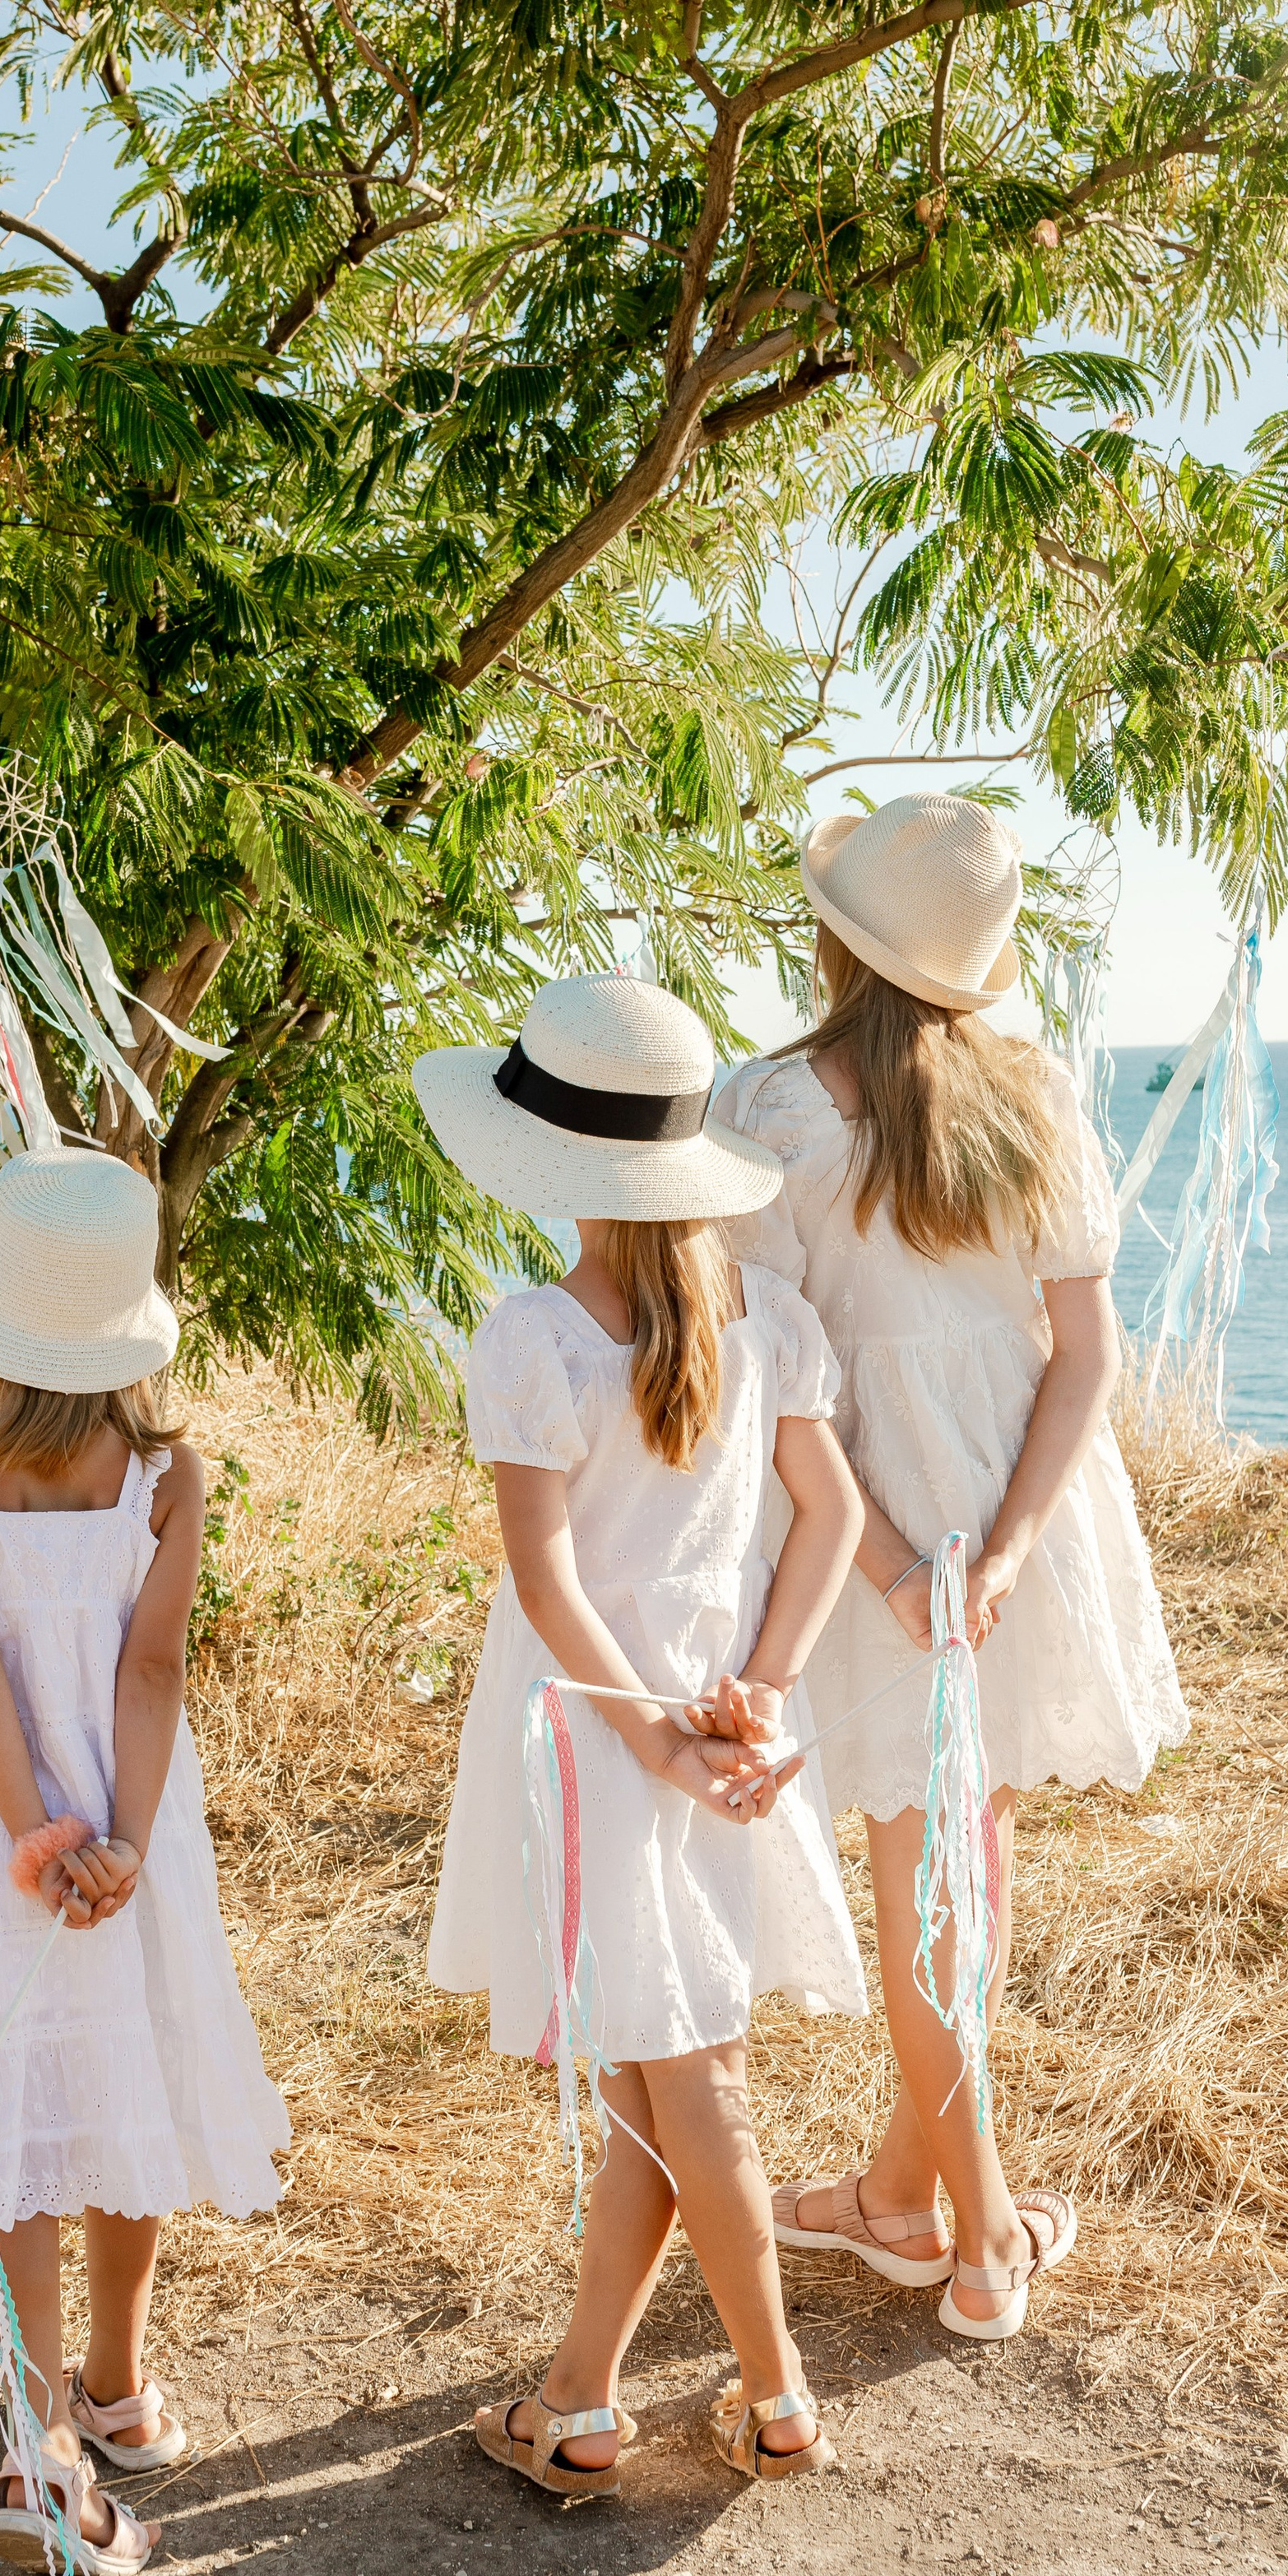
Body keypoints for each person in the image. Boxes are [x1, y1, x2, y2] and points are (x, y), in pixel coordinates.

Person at [714, 795, 1188, 2341]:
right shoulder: (1032, 1090)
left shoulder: (766, 1110)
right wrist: (1014, 1542)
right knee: (953, 1858)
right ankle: (918, 2199)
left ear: (834, 939)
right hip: (999, 1491)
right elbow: (1084, 1349)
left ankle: (967, 2232)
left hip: (862, 1508)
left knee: (938, 1862)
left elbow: (774, 1377)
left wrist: (912, 1560)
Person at [416, 972, 869, 2492]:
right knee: (654, 2081)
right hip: (711, 1712)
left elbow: (547, 1580)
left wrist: (671, 1742)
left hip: (596, 1724)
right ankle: (580, 2398)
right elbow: (833, 1518)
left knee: (690, 2078)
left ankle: (781, 2391)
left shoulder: (536, 1336)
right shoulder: (771, 1317)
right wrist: (763, 1685)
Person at [0, 1148, 289, 2576]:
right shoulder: (169, 1477)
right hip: (132, 1823)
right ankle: (116, 2387)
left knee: (26, 2117)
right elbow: (155, 1666)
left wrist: (32, 1835)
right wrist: (114, 1837)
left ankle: (38, 2430)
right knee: (123, 2083)